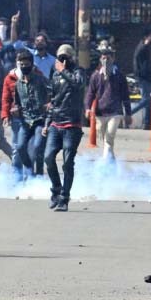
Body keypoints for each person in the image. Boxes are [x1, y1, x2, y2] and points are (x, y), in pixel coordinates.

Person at [43, 44, 87, 212]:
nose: (63, 60)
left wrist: (63, 70)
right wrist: (47, 123)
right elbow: (52, 101)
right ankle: (56, 189)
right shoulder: (54, 75)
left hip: (72, 124)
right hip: (56, 123)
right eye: (60, 57)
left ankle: (64, 198)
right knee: (48, 158)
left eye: (66, 57)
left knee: (68, 162)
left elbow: (77, 84)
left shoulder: (78, 72)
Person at [2, 50, 49, 180]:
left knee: (38, 146)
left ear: (32, 64)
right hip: (24, 120)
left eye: (26, 64)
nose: (24, 67)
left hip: (40, 119)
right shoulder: (17, 83)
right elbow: (13, 101)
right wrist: (11, 111)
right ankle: (28, 169)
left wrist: (50, 105)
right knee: (20, 147)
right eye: (21, 65)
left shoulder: (41, 79)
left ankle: (38, 176)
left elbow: (52, 93)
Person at [84, 41, 132, 162]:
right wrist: (88, 108)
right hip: (100, 113)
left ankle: (106, 165)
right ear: (100, 59)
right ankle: (112, 163)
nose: (106, 60)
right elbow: (90, 93)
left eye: (108, 58)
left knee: (109, 137)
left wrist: (128, 114)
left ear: (113, 58)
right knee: (104, 139)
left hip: (115, 113)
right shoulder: (96, 76)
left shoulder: (119, 76)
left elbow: (125, 96)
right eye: (104, 58)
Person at [131, 29, 151, 130]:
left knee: (148, 102)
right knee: (146, 100)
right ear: (146, 37)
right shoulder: (142, 47)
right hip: (143, 76)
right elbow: (136, 60)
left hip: (147, 76)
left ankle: (146, 123)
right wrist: (139, 74)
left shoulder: (145, 47)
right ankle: (128, 113)